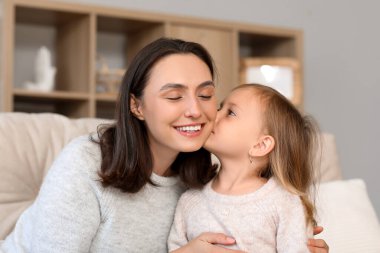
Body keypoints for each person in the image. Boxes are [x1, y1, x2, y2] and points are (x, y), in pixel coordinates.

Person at [0, 38, 328, 253]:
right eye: (174, 96)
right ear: (137, 106)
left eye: (205, 94)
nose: (196, 110)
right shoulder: (84, 165)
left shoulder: (202, 181)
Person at [168, 83, 327, 252]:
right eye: (221, 107)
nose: (214, 113)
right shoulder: (189, 201)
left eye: (230, 112)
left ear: (261, 145)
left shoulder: (283, 202)